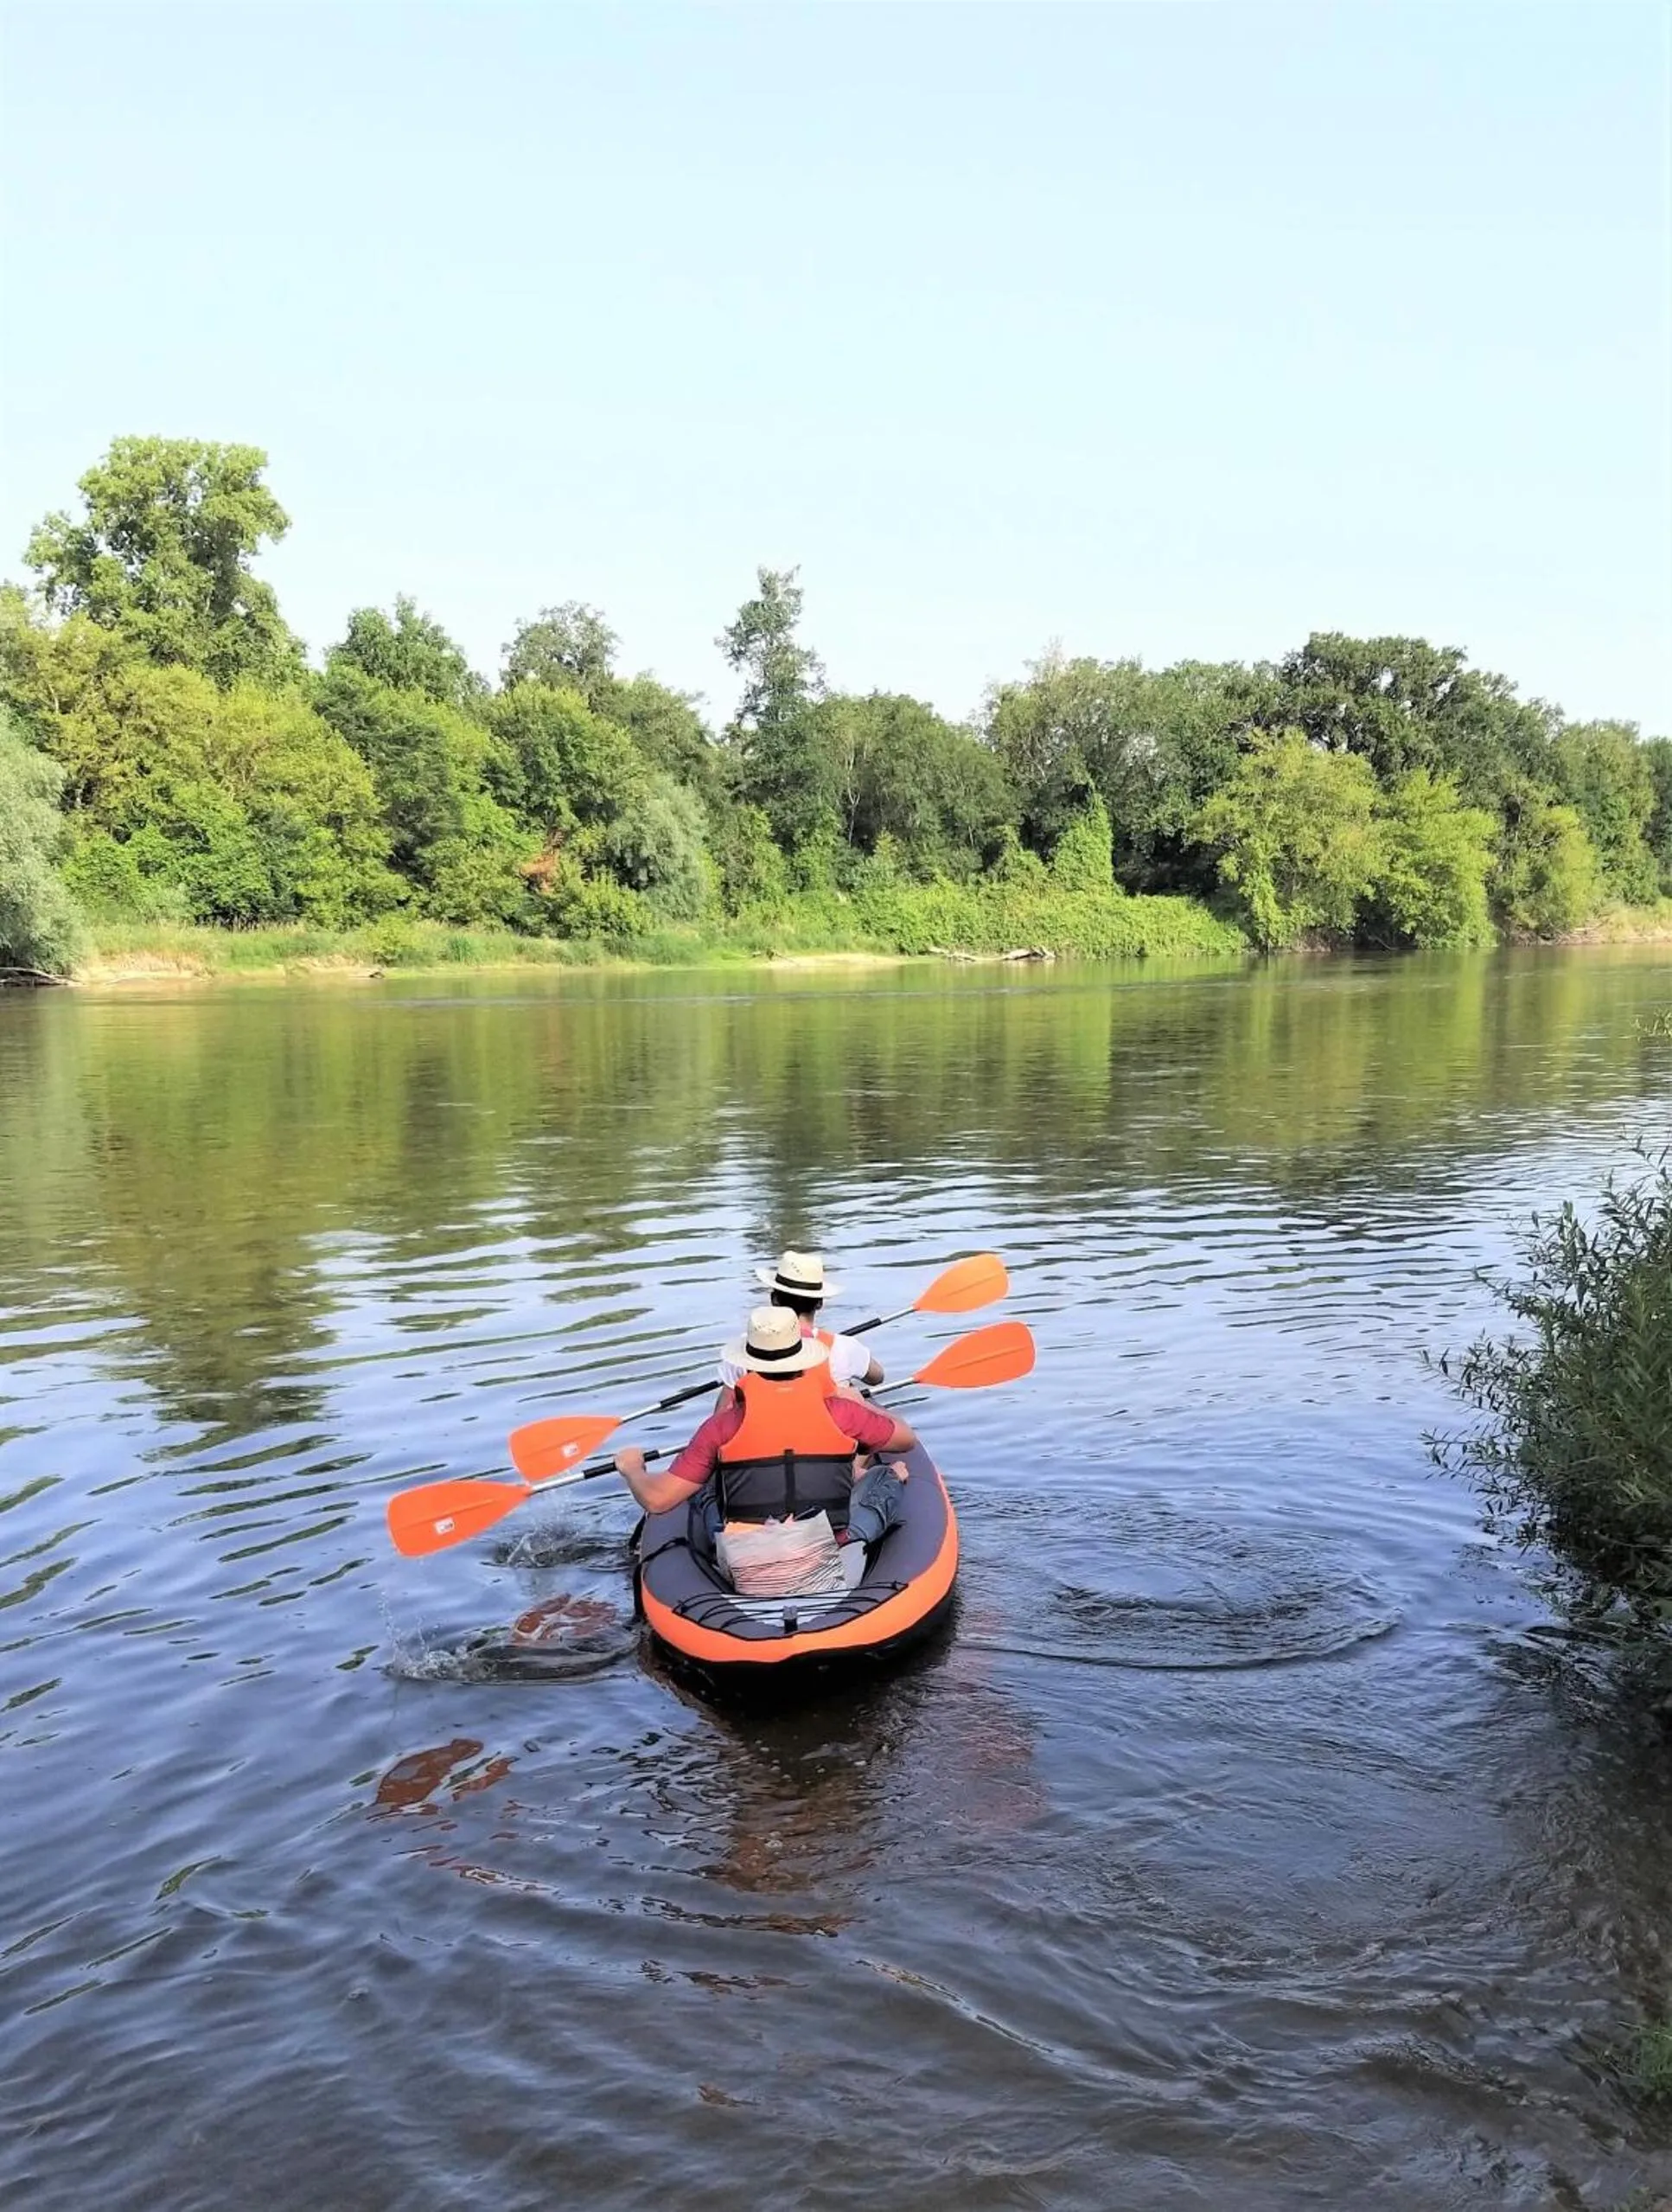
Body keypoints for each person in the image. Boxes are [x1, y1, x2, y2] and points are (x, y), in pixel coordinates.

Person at [616, 1305, 916, 1547]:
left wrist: (632, 1470)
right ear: (803, 1360)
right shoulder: (842, 1412)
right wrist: (860, 1403)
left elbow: (657, 1500)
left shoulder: (722, 1426)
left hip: (746, 1567)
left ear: (749, 1364)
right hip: (824, 1555)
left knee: (705, 1488)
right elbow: (906, 1440)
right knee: (886, 1475)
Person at [716, 1249, 884, 1390]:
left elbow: (723, 1412)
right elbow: (877, 1378)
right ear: (820, 1303)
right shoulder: (844, 1347)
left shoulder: (743, 1349)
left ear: (774, 1299)